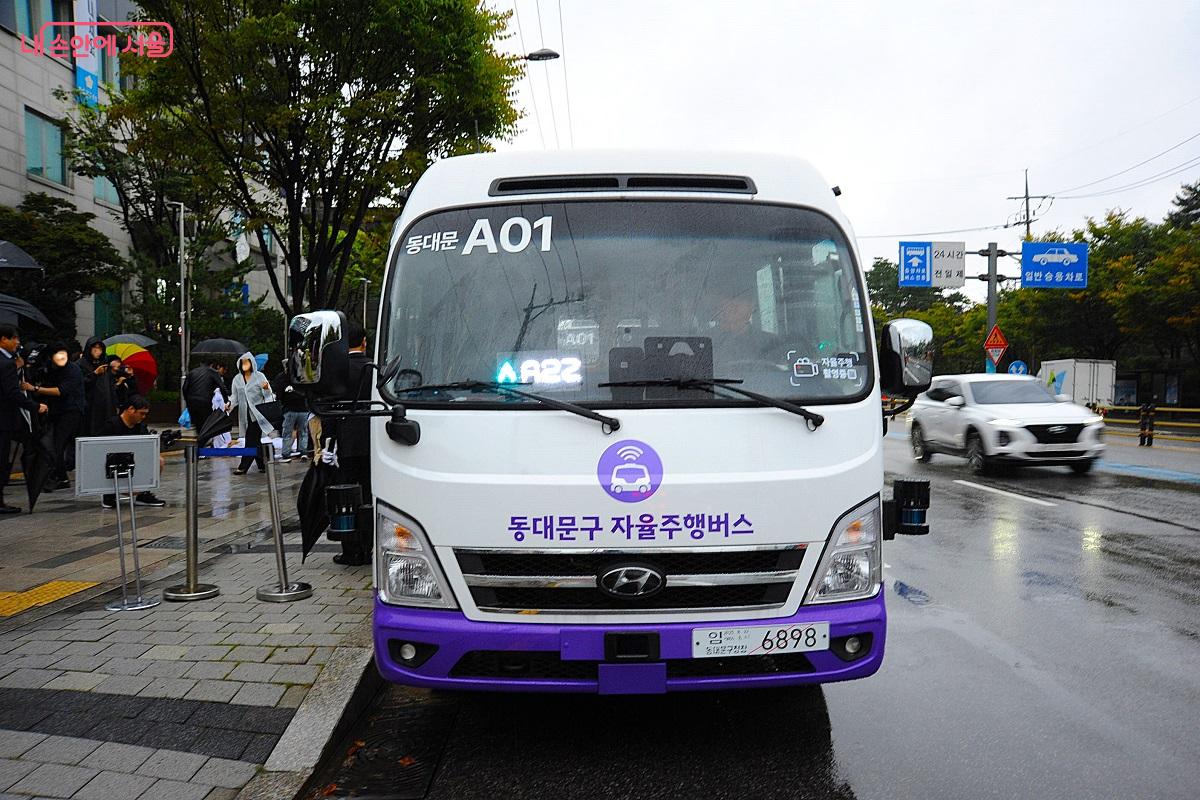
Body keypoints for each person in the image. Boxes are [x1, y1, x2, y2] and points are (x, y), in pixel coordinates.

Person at [330, 321, 373, 565]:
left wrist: (327, 443)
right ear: (364, 342)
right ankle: (369, 546)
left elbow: (329, 407)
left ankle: (351, 549)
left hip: (344, 440)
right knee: (368, 492)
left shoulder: (337, 369)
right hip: (371, 439)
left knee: (345, 496)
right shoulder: (373, 368)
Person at [0, 324, 48, 514]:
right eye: (14, 338)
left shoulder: (9, 362)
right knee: (2, 458)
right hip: (3, 419)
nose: (17, 342)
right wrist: (35, 406)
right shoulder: (6, 364)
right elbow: (13, 392)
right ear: (3, 339)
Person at [24, 344, 86, 490]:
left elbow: (61, 391)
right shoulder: (50, 368)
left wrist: (35, 388)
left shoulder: (72, 369)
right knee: (54, 445)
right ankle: (61, 477)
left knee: (57, 444)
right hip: (57, 411)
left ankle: (55, 478)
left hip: (71, 411)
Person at [97, 395, 166, 508]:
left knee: (158, 460)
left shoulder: (141, 427)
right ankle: (109, 494)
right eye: (141, 413)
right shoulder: (111, 425)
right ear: (131, 409)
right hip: (114, 463)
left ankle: (143, 493)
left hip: (133, 461)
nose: (143, 417)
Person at [228, 351, 276, 475]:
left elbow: (268, 395)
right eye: (242, 363)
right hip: (245, 415)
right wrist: (229, 405)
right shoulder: (237, 379)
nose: (245, 365)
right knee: (255, 441)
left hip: (258, 415)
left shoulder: (259, 376)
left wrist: (266, 389)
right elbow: (234, 396)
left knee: (250, 440)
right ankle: (263, 463)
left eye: (247, 362)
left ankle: (243, 466)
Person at [89, 354, 138, 435]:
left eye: (119, 361)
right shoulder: (105, 375)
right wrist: (118, 384)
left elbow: (133, 391)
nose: (118, 363)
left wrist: (131, 376)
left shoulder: (121, 374)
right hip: (109, 410)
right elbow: (108, 392)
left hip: (123, 409)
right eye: (116, 361)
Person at [274, 362, 311, 460]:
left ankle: (286, 453)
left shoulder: (282, 378)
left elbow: (279, 394)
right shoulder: (302, 375)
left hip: (289, 409)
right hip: (303, 408)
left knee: (287, 432)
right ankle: (303, 451)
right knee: (303, 432)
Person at [183, 359, 227, 437]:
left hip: (192, 402)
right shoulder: (212, 372)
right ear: (211, 365)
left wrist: (187, 401)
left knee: (198, 423)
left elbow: (184, 388)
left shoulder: (192, 372)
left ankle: (200, 438)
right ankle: (203, 440)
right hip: (205, 401)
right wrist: (226, 401)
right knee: (206, 423)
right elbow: (222, 387)